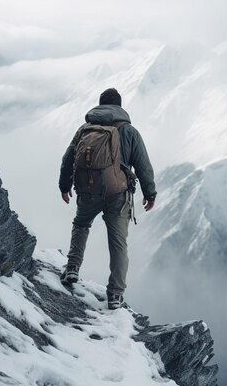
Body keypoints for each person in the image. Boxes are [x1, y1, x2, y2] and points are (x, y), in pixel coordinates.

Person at [58, 88, 157, 310]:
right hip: (118, 195)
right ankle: (115, 294)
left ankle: (72, 268)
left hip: (88, 190)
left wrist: (65, 186)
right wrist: (150, 193)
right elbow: (143, 166)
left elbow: (68, 158)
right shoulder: (130, 131)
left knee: (81, 225)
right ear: (120, 107)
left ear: (100, 105)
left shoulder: (85, 129)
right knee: (118, 243)